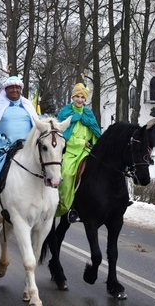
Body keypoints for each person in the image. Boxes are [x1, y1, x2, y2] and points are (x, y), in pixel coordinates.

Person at [55, 82, 102, 223]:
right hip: (70, 150)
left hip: (87, 150)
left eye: (82, 97)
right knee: (67, 173)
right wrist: (82, 142)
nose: (80, 100)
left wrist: (92, 143)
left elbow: (94, 132)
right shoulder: (65, 112)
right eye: (77, 96)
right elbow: (63, 135)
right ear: (73, 97)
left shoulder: (88, 113)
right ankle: (64, 204)